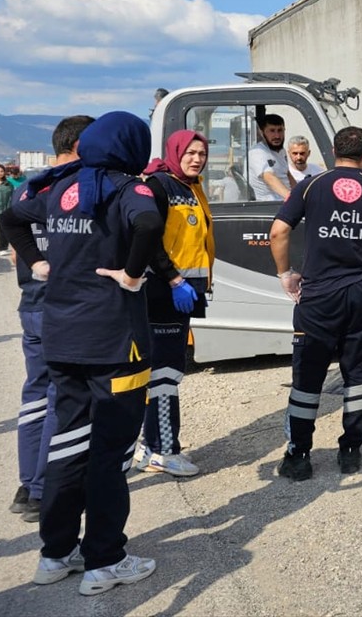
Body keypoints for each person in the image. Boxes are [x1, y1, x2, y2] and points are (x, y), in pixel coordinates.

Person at [1, 111, 162, 595]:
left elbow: (10, 217)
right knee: (109, 454)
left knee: (67, 445)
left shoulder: (56, 187)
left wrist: (37, 261)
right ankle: (104, 561)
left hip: (63, 339)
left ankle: (55, 553)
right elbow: (150, 223)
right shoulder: (125, 187)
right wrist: (133, 275)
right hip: (115, 340)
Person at [270, 127, 362, 480]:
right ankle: (351, 450)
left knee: (308, 375)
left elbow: (279, 231)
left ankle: (299, 455)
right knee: (359, 373)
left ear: (333, 151)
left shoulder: (312, 185)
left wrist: (286, 274)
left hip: (318, 297)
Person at [8, 115, 94, 524]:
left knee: (34, 395)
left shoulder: (27, 187)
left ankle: (27, 485)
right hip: (62, 309)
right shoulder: (76, 187)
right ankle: (44, 489)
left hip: (31, 303)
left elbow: (14, 249)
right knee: (64, 399)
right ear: (79, 145)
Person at [133, 130, 216, 477]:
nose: (197, 159)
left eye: (202, 153)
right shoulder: (159, 185)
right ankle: (164, 451)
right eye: (190, 153)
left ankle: (147, 445)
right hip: (164, 292)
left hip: (184, 292)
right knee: (166, 373)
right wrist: (174, 279)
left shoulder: (191, 187)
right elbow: (147, 238)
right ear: (175, 151)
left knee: (160, 372)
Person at [247, 113, 292, 201]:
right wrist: (292, 199)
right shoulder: (258, 152)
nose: (277, 136)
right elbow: (269, 178)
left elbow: (288, 175)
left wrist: (301, 195)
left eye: (280, 130)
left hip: (284, 201)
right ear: (262, 132)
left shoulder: (281, 151)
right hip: (270, 205)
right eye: (272, 131)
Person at [0, 163, 15, 255]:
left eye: (1, 171)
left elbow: (12, 196)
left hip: (4, 209)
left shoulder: (9, 184)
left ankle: (3, 248)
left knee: (2, 230)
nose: (0, 173)